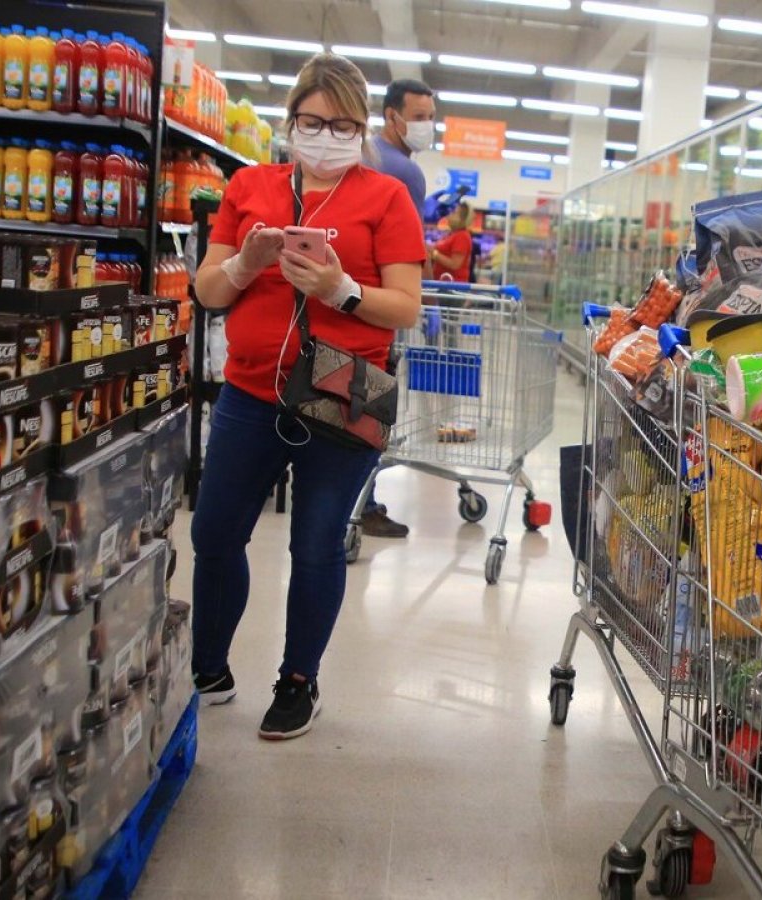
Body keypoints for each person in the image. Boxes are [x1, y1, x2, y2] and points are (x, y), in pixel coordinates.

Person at [189, 54, 423, 740]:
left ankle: (298, 680)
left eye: (343, 124)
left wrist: (339, 290)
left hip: (345, 391)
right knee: (213, 533)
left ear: (362, 130)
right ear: (291, 120)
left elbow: (405, 306)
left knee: (317, 542)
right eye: (313, 122)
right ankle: (209, 666)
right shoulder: (249, 186)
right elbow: (208, 291)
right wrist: (245, 263)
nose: (326, 135)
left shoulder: (386, 198)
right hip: (250, 392)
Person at [359, 78, 436, 540]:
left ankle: (356, 499)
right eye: (420, 117)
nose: (427, 126)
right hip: (385, 309)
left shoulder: (365, 157)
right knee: (374, 406)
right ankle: (361, 504)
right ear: (392, 116)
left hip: (351, 301)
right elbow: (407, 252)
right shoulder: (406, 174)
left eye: (431, 117)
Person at [430, 202, 475, 284]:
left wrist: (434, 254)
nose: (449, 215)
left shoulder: (462, 236)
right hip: (441, 282)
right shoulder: (450, 234)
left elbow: (455, 264)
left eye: (454, 212)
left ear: (462, 219)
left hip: (453, 286)